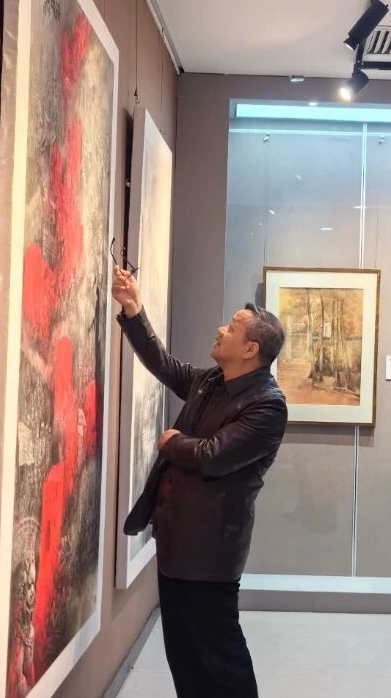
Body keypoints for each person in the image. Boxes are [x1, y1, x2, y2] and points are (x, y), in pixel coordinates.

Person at [111, 266, 288, 698]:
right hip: (176, 540)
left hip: (210, 553)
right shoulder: (211, 381)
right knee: (184, 654)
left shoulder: (268, 405)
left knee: (219, 657)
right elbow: (164, 365)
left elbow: (213, 456)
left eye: (232, 327)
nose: (220, 329)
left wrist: (171, 442)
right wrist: (133, 310)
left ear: (250, 348)